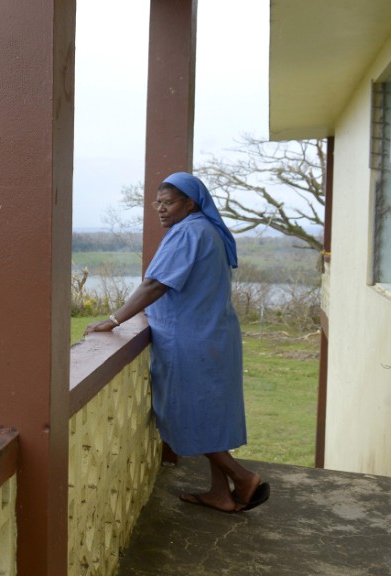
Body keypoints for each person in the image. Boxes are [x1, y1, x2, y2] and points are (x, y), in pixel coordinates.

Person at [84, 172, 270, 514]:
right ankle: (220, 493)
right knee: (211, 415)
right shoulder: (209, 230)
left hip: (190, 340)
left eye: (169, 203)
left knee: (182, 413)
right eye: (158, 203)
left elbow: (155, 285)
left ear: (191, 203)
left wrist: (113, 321)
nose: (161, 209)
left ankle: (242, 479)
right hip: (216, 335)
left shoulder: (187, 232)